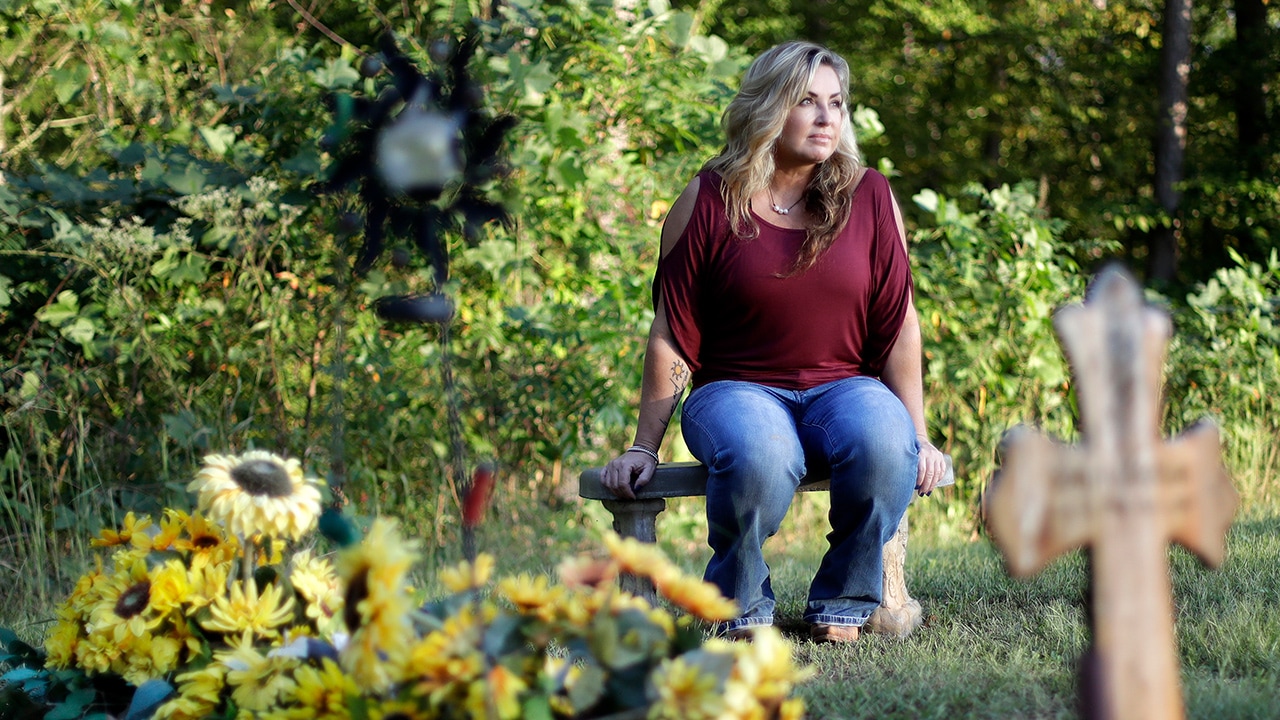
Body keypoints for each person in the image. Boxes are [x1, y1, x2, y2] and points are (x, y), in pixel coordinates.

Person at [599, 40, 948, 643]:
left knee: (886, 445)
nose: (825, 117)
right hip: (735, 388)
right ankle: (739, 601)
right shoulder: (707, 199)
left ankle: (844, 597)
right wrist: (644, 448)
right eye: (807, 101)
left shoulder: (869, 196)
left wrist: (917, 435)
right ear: (767, 108)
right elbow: (671, 331)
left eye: (836, 103)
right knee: (761, 456)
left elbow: (899, 323)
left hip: (845, 386)